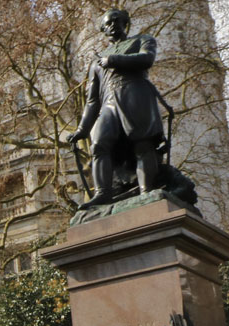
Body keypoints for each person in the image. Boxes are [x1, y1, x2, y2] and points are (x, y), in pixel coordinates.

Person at [67, 9, 164, 209]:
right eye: (107, 24)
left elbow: (147, 59)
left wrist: (113, 60)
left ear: (125, 22)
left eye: (116, 21)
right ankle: (103, 193)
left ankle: (147, 192)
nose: (112, 26)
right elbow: (92, 100)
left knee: (142, 144)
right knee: (99, 144)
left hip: (136, 96)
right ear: (103, 30)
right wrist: (81, 130)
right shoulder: (96, 61)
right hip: (109, 105)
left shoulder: (141, 40)